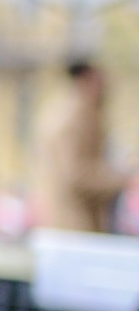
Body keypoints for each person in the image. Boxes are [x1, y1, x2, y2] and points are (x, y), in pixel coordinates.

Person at [33, 59, 131, 233]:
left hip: (70, 222)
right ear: (87, 79)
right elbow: (76, 175)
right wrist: (122, 179)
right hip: (74, 223)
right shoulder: (74, 119)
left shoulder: (68, 112)